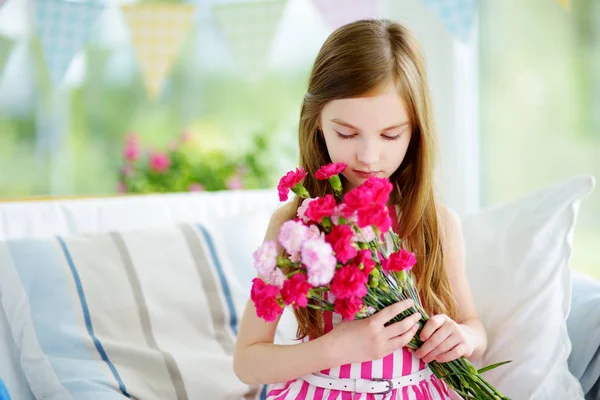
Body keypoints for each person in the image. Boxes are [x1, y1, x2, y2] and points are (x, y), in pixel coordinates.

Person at [233, 19, 487, 399]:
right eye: (347, 133)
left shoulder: (434, 224)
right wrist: (335, 348)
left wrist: (463, 337)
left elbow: (475, 329)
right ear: (317, 122)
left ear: (416, 131)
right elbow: (247, 362)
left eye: (390, 135)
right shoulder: (295, 225)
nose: (368, 156)